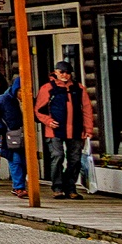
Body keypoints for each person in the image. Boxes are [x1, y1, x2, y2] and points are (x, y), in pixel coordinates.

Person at [34, 64, 93, 200]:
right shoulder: (47, 88)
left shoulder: (79, 88)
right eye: (62, 72)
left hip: (76, 129)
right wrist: (48, 121)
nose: (65, 75)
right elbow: (38, 110)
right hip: (54, 130)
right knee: (57, 156)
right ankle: (57, 187)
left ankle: (70, 187)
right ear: (55, 72)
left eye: (68, 72)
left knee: (75, 159)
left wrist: (88, 129)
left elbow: (87, 109)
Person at [0, 72, 28, 197]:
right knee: (16, 159)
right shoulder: (4, 99)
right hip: (8, 134)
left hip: (23, 134)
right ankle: (18, 187)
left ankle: (20, 185)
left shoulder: (27, 100)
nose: (22, 93)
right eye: (20, 91)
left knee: (24, 161)